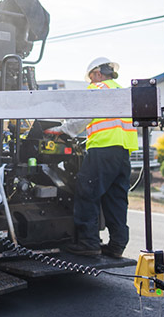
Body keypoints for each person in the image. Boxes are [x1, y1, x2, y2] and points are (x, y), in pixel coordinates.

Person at [52, 57, 138, 258]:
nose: (90, 82)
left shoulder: (97, 89)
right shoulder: (123, 92)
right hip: (123, 153)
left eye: (91, 77)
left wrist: (62, 130)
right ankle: (117, 245)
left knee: (87, 192)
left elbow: (82, 118)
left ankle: (88, 243)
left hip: (102, 150)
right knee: (116, 199)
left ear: (98, 74)